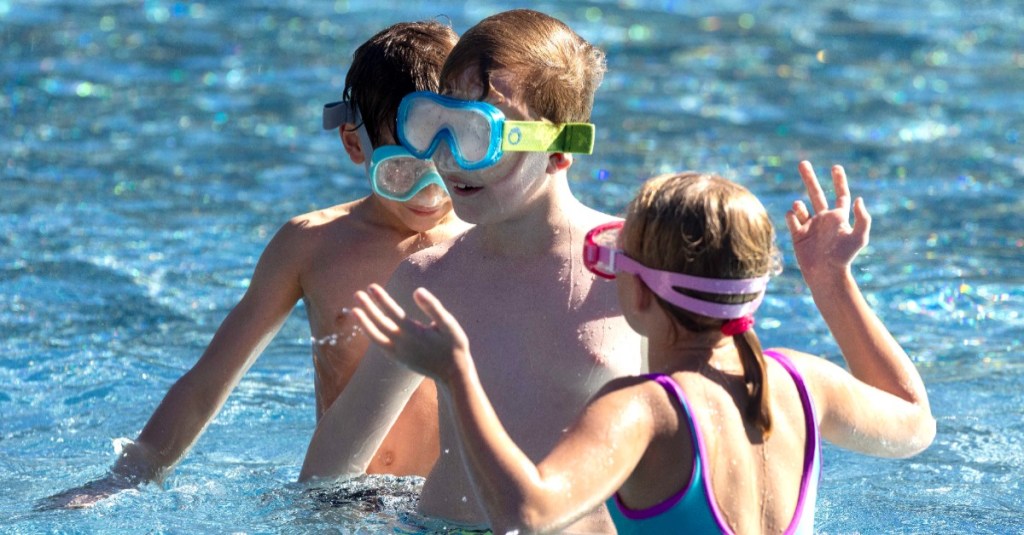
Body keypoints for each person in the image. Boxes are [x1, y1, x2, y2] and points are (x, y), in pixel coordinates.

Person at [352, 162, 937, 534]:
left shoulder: (642, 411)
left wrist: (458, 375)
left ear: (635, 286)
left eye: (608, 260)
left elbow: (525, 513)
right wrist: (834, 284)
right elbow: (915, 425)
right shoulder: (804, 383)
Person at [42, 20, 470, 509]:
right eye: (403, 173)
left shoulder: (486, 243)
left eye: (448, 168)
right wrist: (127, 475)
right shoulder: (313, 246)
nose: (432, 193)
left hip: (447, 503)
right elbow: (209, 380)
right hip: (342, 500)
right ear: (356, 145)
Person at [299, 9, 642, 534]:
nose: (447, 157)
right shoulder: (428, 280)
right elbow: (332, 468)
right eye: (435, 126)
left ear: (559, 150)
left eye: (475, 135)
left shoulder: (635, 269)